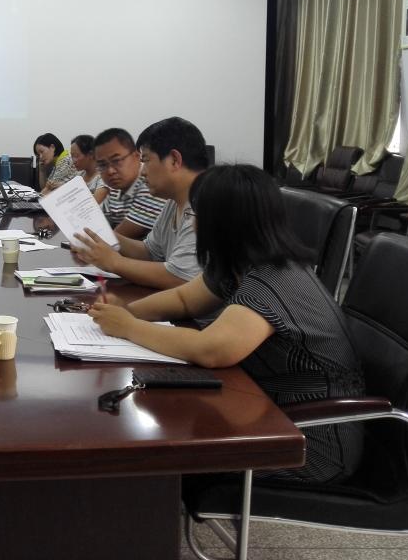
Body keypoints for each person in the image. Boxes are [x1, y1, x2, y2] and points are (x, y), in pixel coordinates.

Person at [88, 165, 365, 482]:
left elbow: (211, 351)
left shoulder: (275, 279)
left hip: (308, 441)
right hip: (265, 408)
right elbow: (184, 300)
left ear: (222, 223)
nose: (193, 224)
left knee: (155, 451)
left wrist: (128, 327)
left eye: (197, 215)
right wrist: (128, 310)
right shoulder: (238, 264)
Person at [74, 117, 207, 289]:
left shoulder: (205, 203)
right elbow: (150, 251)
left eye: (146, 160)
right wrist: (106, 236)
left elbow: (181, 278)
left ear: (174, 160)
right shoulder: (174, 201)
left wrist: (114, 262)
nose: (142, 172)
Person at [92, 127, 166, 238]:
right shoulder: (116, 188)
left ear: (136, 157)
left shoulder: (150, 186)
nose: (110, 171)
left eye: (117, 161)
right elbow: (96, 220)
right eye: (102, 165)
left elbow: (115, 239)